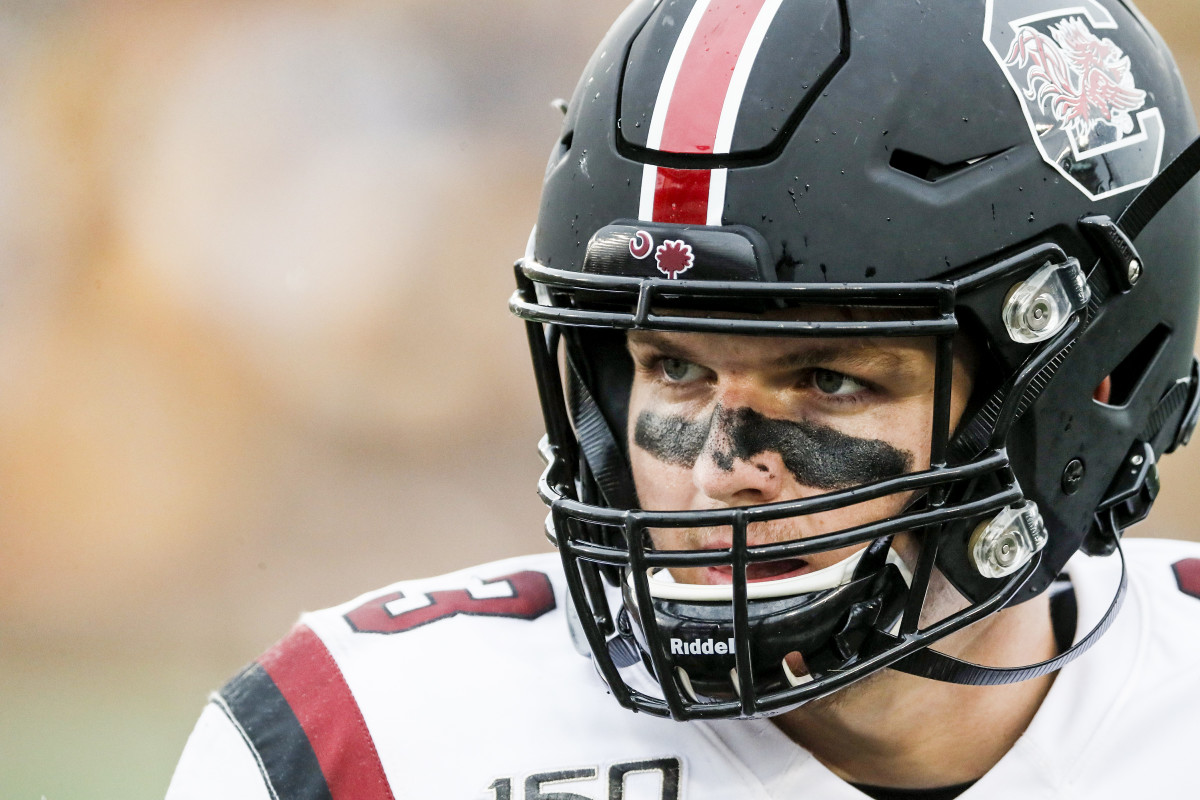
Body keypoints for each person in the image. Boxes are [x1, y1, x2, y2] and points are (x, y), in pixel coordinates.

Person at [166, 0, 1200, 797]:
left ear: (1088, 391)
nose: (716, 466)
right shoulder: (374, 743)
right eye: (674, 367)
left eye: (829, 378)